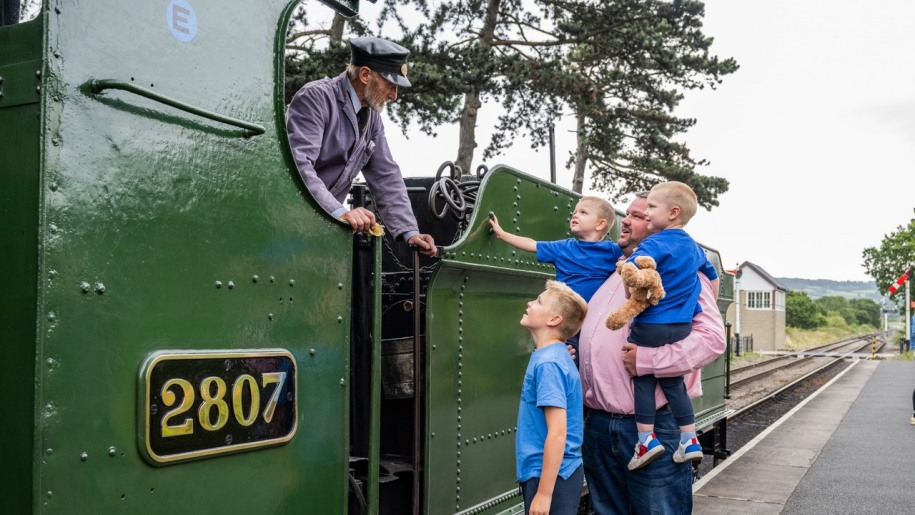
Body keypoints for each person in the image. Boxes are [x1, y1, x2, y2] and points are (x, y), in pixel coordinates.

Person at [578, 192, 726, 514]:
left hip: (653, 425)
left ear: (662, 223)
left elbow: (713, 338)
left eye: (638, 215)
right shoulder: (618, 274)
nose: (626, 221)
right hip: (600, 424)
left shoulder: (682, 273)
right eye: (627, 214)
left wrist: (647, 361)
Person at [286, 37, 436, 256]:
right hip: (287, 219)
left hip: (321, 227)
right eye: (390, 85)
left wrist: (410, 232)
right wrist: (339, 212)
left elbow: (386, 174)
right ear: (365, 75)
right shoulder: (315, 98)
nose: (394, 96)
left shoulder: (372, 118)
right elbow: (298, 166)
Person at [618, 181, 720, 471]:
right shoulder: (693, 247)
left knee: (643, 380)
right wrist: (703, 301)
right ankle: (689, 439)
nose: (647, 214)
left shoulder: (653, 243)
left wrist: (630, 291)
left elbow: (634, 274)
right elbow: (711, 276)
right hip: (680, 325)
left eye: (650, 208)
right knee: (673, 382)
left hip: (652, 323)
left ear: (673, 212)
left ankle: (645, 439)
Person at [489, 196, 623, 363]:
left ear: (600, 224)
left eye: (583, 212)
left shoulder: (613, 251)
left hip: (595, 320)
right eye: (574, 212)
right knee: (567, 357)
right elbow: (532, 244)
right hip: (566, 318)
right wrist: (502, 234)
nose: (574, 215)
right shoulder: (563, 247)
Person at [516, 280, 588, 515]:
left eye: (538, 301)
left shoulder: (549, 363)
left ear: (554, 320)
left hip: (551, 475)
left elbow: (557, 433)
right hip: (554, 472)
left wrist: (545, 494)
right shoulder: (551, 355)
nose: (529, 303)